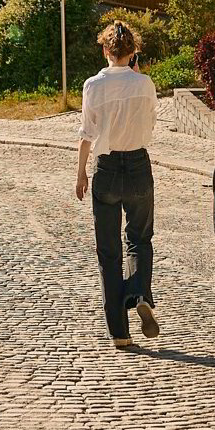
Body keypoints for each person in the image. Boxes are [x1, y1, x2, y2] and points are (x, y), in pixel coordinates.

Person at [76, 20, 160, 350]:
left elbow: (87, 134)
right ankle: (139, 292)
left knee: (108, 252)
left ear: (104, 49)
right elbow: (151, 121)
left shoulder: (93, 86)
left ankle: (119, 333)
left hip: (107, 167)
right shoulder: (145, 84)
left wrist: (81, 173)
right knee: (139, 239)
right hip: (138, 164)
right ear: (133, 52)